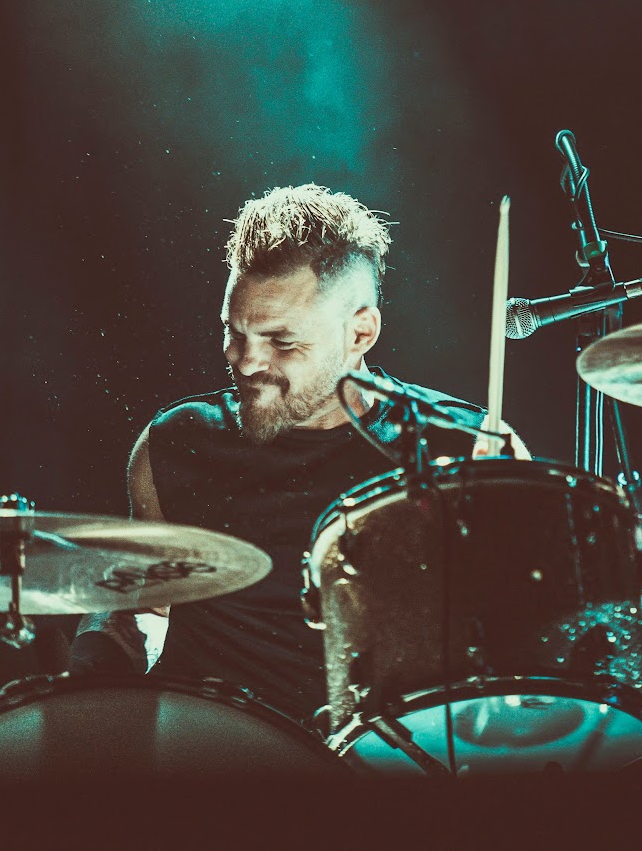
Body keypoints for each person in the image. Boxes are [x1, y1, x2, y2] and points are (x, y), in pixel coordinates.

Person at [70, 183, 529, 725]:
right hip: (208, 749)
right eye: (234, 332)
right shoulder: (177, 443)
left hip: (388, 756)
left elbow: (524, 637)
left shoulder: (468, 448)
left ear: (360, 332)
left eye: (281, 342)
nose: (246, 361)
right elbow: (146, 603)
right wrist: (98, 657)